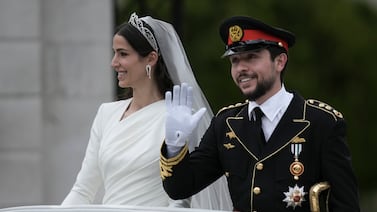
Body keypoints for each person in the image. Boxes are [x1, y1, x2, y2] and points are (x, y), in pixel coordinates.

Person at [160, 15, 360, 211]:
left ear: (280, 62)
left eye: (251, 57)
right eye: (235, 61)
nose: (241, 68)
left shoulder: (321, 122)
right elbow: (181, 187)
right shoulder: (226, 123)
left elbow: (345, 204)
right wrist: (174, 146)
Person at [62, 12, 232, 209]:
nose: (114, 62)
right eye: (114, 53)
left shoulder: (178, 116)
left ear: (151, 58)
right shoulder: (106, 113)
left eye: (123, 54)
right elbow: (82, 190)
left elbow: (179, 199)